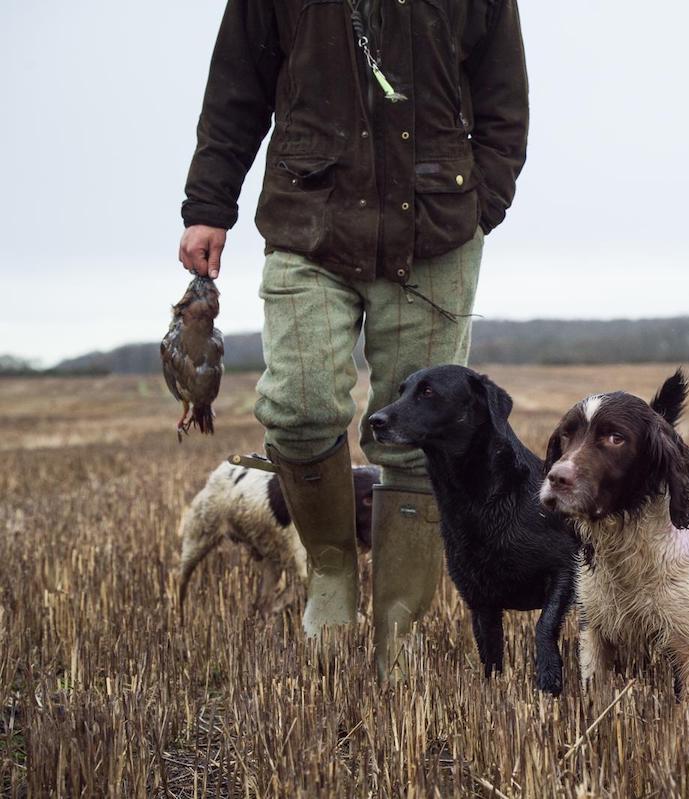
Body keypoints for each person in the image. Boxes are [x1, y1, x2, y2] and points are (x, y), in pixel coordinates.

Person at [177, 0, 529, 680]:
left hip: (437, 230)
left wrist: (482, 204)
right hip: (308, 220)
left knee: (423, 438)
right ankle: (332, 570)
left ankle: (400, 627)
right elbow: (236, 86)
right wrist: (209, 205)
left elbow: (504, 99)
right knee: (299, 407)